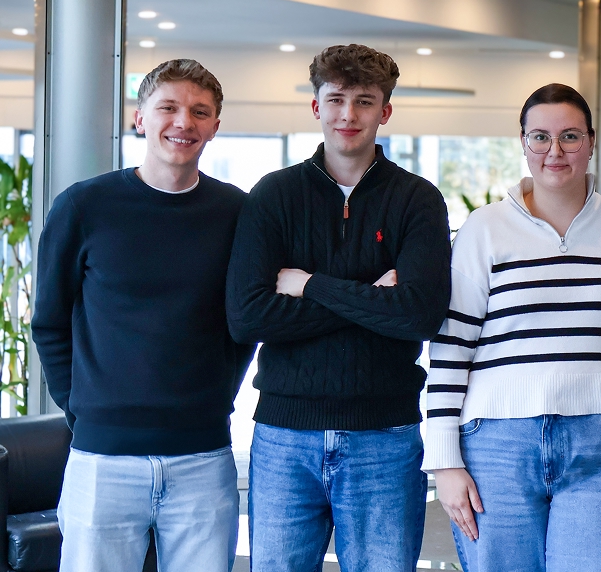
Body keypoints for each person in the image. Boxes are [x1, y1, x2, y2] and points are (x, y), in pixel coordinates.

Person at [226, 44, 452, 570]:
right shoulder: (273, 195)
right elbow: (248, 316)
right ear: (316, 107)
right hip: (284, 436)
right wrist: (373, 296)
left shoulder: (417, 199)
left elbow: (419, 315)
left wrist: (309, 284)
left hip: (385, 436)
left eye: (364, 101)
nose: (348, 115)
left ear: (385, 111)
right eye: (336, 99)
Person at [426, 83, 601, 572]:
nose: (555, 151)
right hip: (496, 444)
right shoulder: (483, 228)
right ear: (523, 142)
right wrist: (445, 462)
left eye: (570, 136)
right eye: (540, 137)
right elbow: (451, 348)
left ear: (592, 142)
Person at [33, 59, 251, 571]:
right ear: (140, 118)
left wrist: (216, 396)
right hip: (102, 461)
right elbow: (49, 322)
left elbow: (244, 326)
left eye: (200, 112)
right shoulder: (83, 207)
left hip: (204, 458)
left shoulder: (238, 213)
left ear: (215, 127)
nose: (184, 122)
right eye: (168, 107)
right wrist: (87, 410)